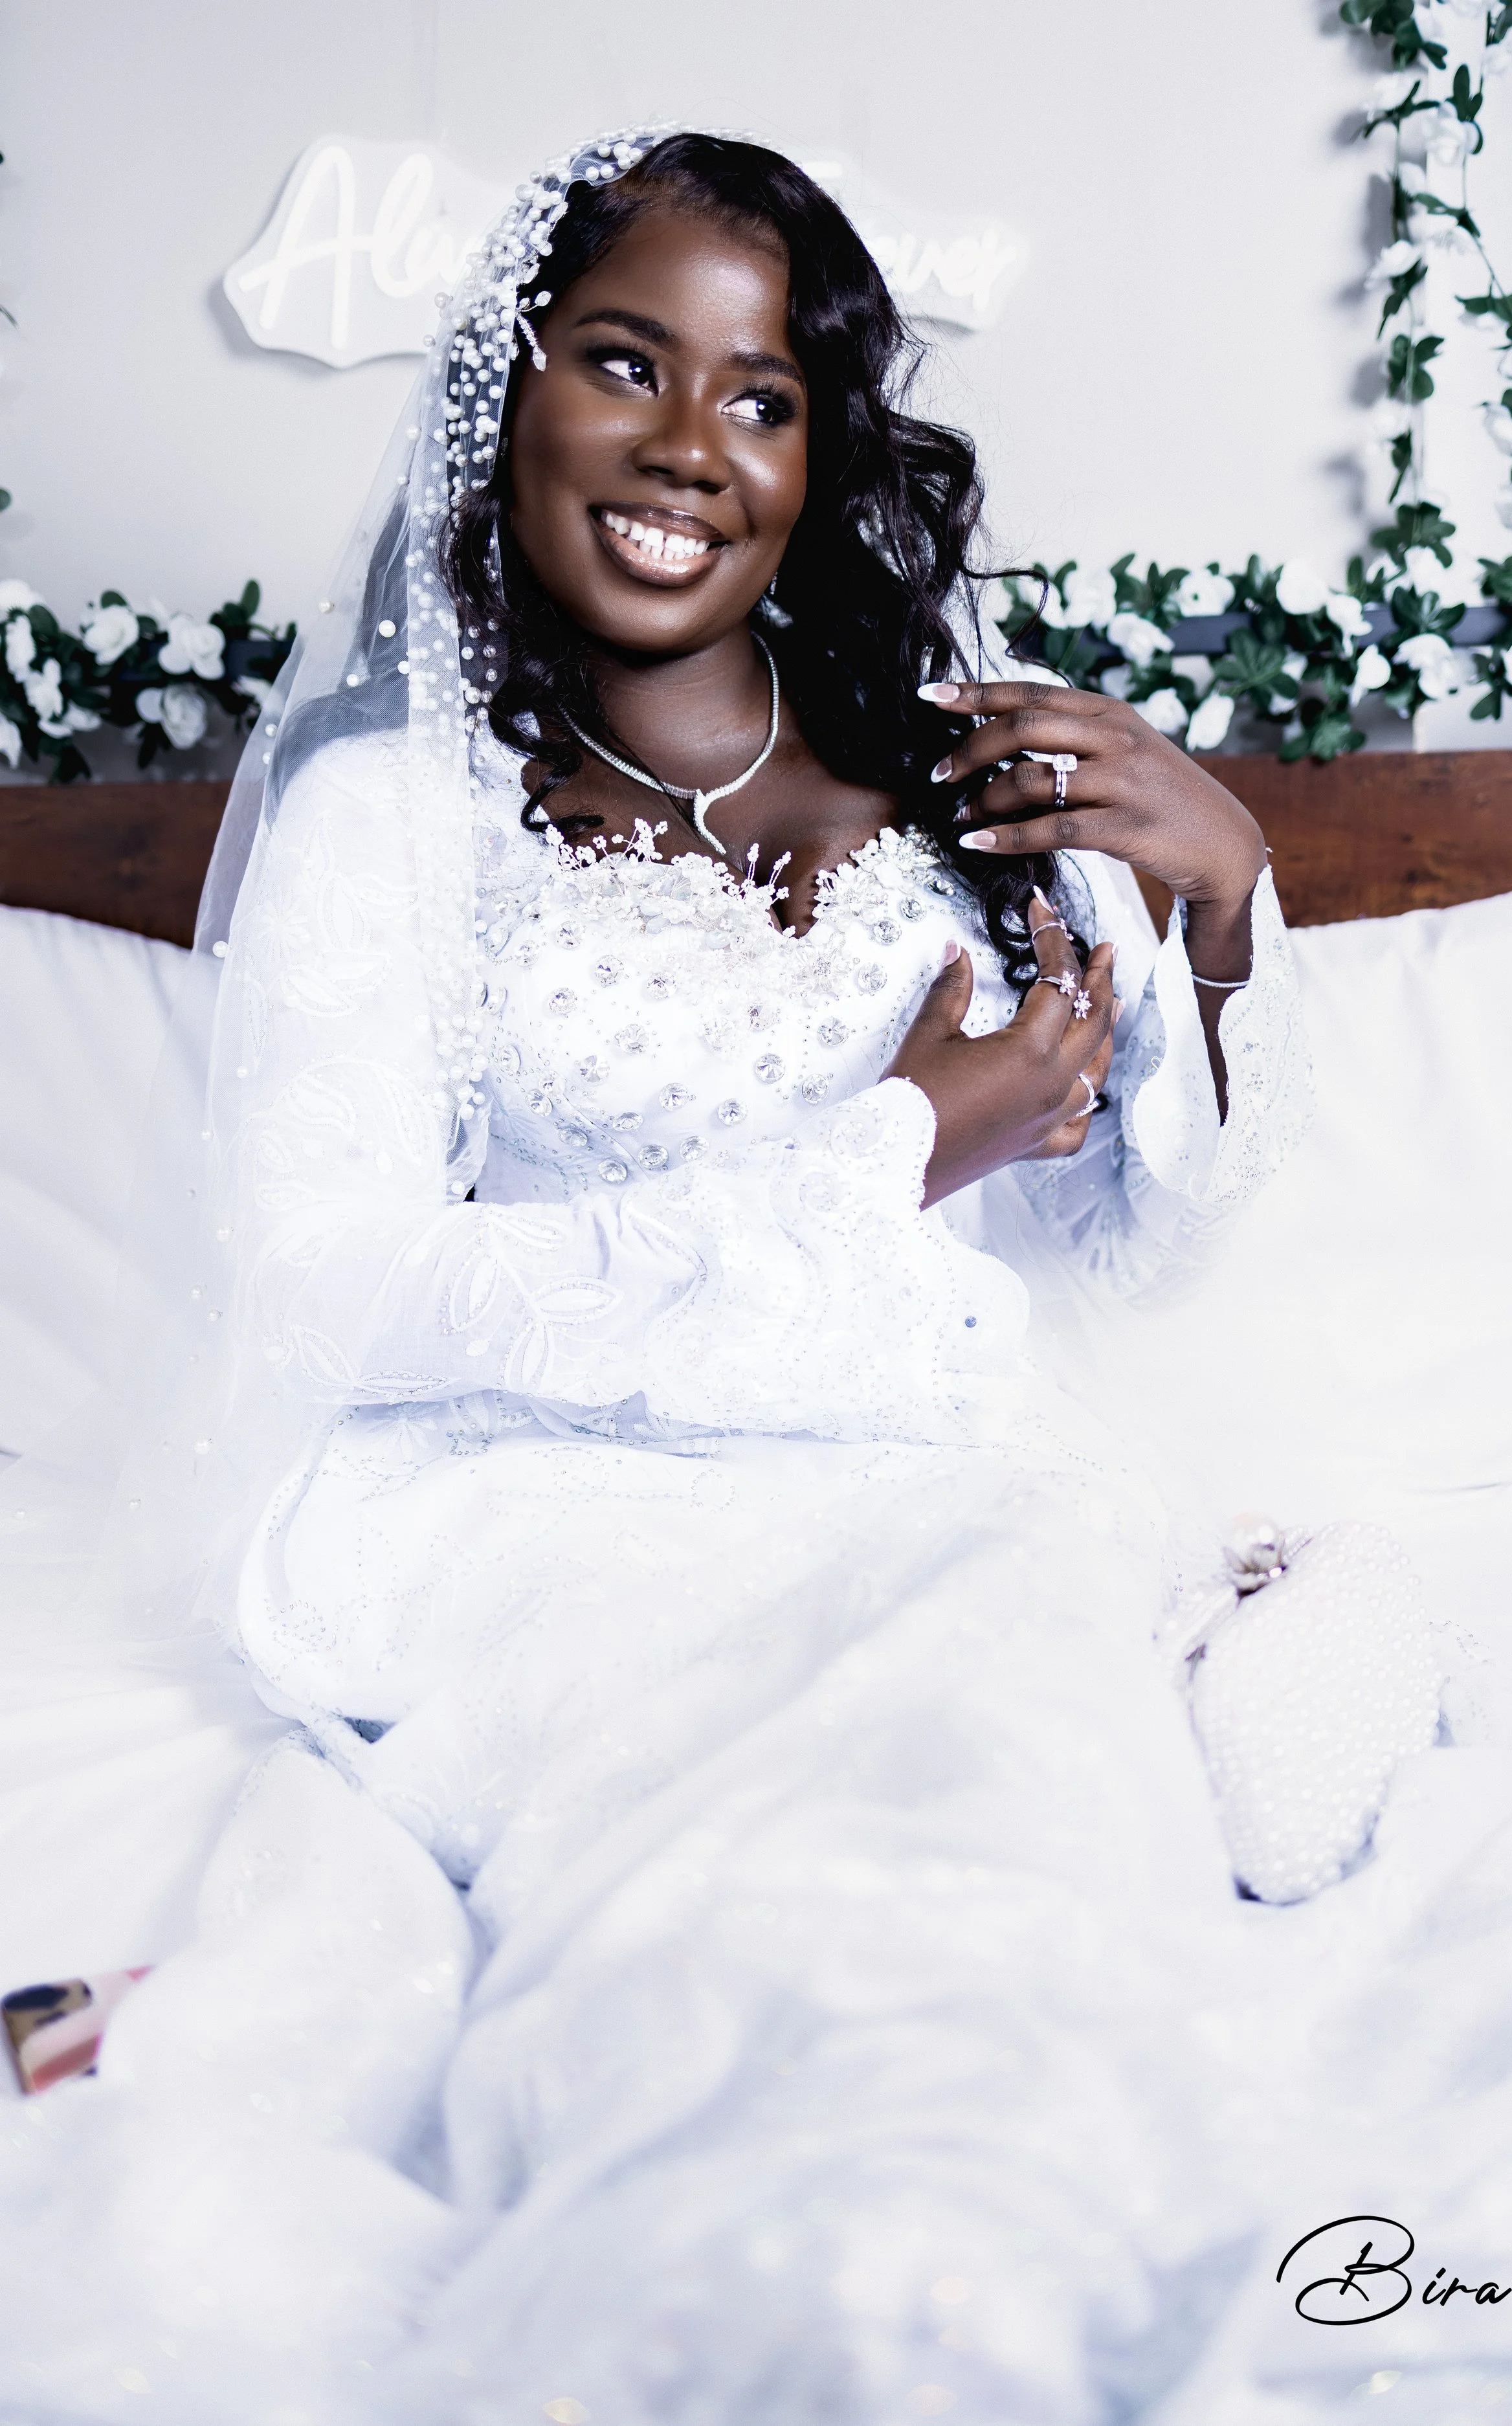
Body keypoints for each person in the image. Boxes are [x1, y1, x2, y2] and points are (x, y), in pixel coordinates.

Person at [7, 129, 1329, 2416]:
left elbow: (1148, 1231)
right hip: (550, 1519)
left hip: (947, 1491)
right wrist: (904, 1136)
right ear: (510, 389)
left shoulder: (959, 783)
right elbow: (340, 1294)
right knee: (733, 1913)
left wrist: (1216, 905)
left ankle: (968, 2291)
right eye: (626, 363)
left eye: (760, 398)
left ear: (820, 456)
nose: (684, 452)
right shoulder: (388, 820)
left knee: (1007, 1859)